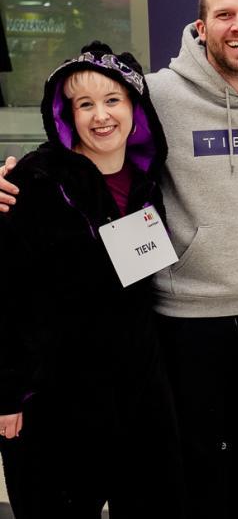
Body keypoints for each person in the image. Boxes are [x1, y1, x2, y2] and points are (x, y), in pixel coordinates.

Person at [0, 0, 238, 519]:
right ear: (201, 25)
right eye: (224, 14)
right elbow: (86, 128)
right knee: (187, 472)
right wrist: (10, 177)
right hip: (182, 320)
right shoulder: (158, 92)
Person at [0, 42, 183, 518]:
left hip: (137, 394)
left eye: (113, 100)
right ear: (66, 115)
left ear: (135, 109)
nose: (101, 116)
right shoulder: (33, 183)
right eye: (85, 104)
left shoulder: (146, 182)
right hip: (56, 400)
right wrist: (8, 394)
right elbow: (9, 296)